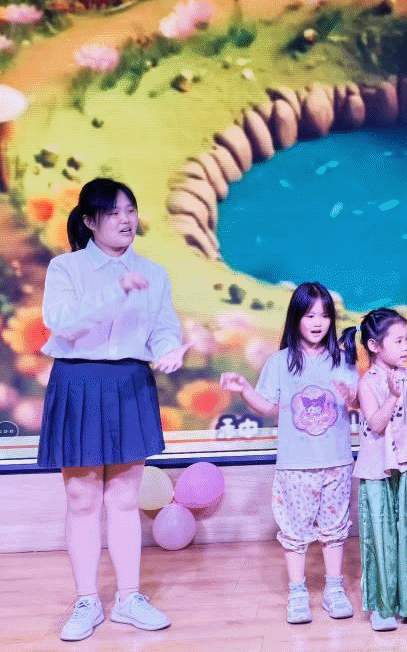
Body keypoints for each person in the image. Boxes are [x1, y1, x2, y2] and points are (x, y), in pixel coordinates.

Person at [37, 178, 189, 642]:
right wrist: (115, 291)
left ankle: (128, 598)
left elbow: (163, 327)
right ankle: (87, 600)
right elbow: (61, 323)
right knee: (82, 499)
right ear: (89, 221)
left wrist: (169, 350)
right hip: (79, 381)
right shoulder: (66, 268)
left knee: (124, 499)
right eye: (114, 212)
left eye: (131, 210)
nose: (126, 220)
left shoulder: (154, 272)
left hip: (129, 383)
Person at [220, 282, 357, 625]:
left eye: (324, 316)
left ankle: (334, 589)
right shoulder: (280, 362)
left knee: (334, 530)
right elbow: (268, 406)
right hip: (296, 465)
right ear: (295, 317)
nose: (317, 322)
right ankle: (298, 592)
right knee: (295, 532)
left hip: (337, 462)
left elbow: (358, 403)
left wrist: (352, 397)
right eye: (309, 315)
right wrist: (244, 388)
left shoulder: (343, 360)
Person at [342, 308, 407, 631]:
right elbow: (376, 423)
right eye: (397, 341)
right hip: (378, 470)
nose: (405, 346)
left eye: (406, 339)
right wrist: (394, 397)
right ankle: (383, 607)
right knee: (381, 535)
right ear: (374, 345)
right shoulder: (367, 383)